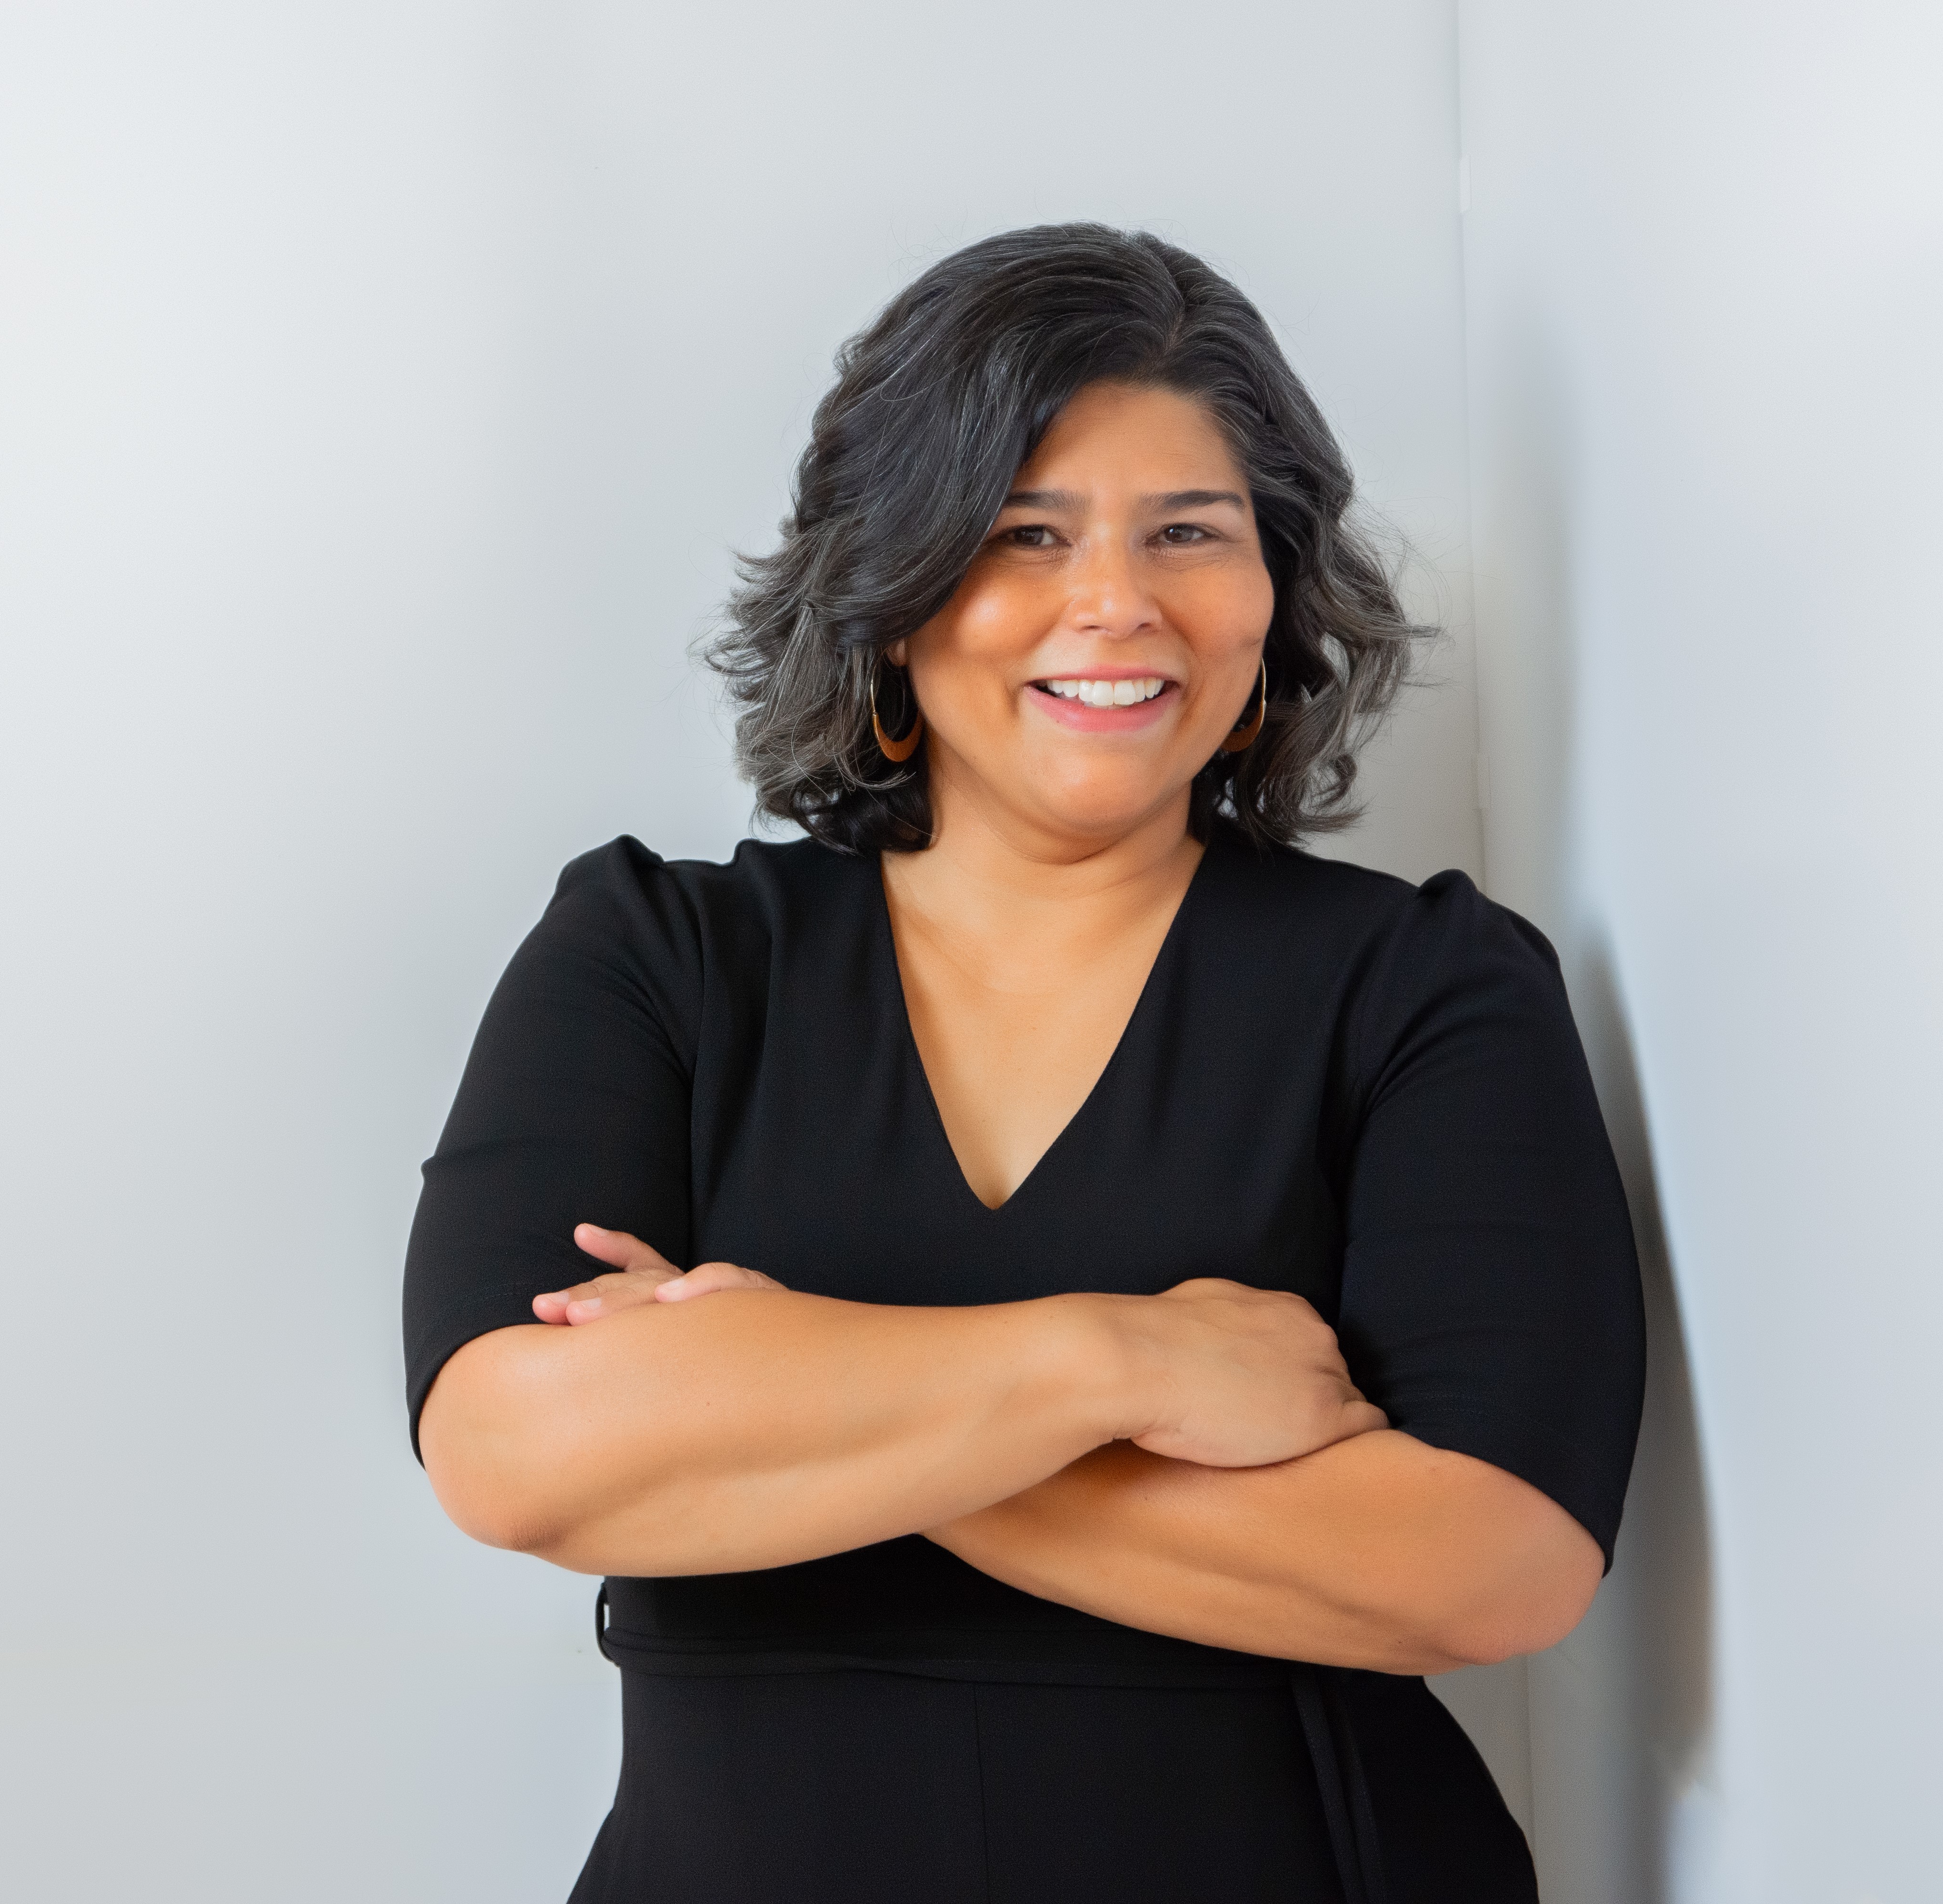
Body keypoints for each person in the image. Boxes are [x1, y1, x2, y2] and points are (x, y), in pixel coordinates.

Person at [401, 224, 1644, 1903]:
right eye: (1024, 534)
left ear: (1272, 590)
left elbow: (1490, 1570)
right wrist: (1119, 1362)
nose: (1115, 602)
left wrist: (773, 1395)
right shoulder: (661, 957)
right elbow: (511, 1453)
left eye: (1188, 532)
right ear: (892, 592)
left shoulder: (1426, 986)